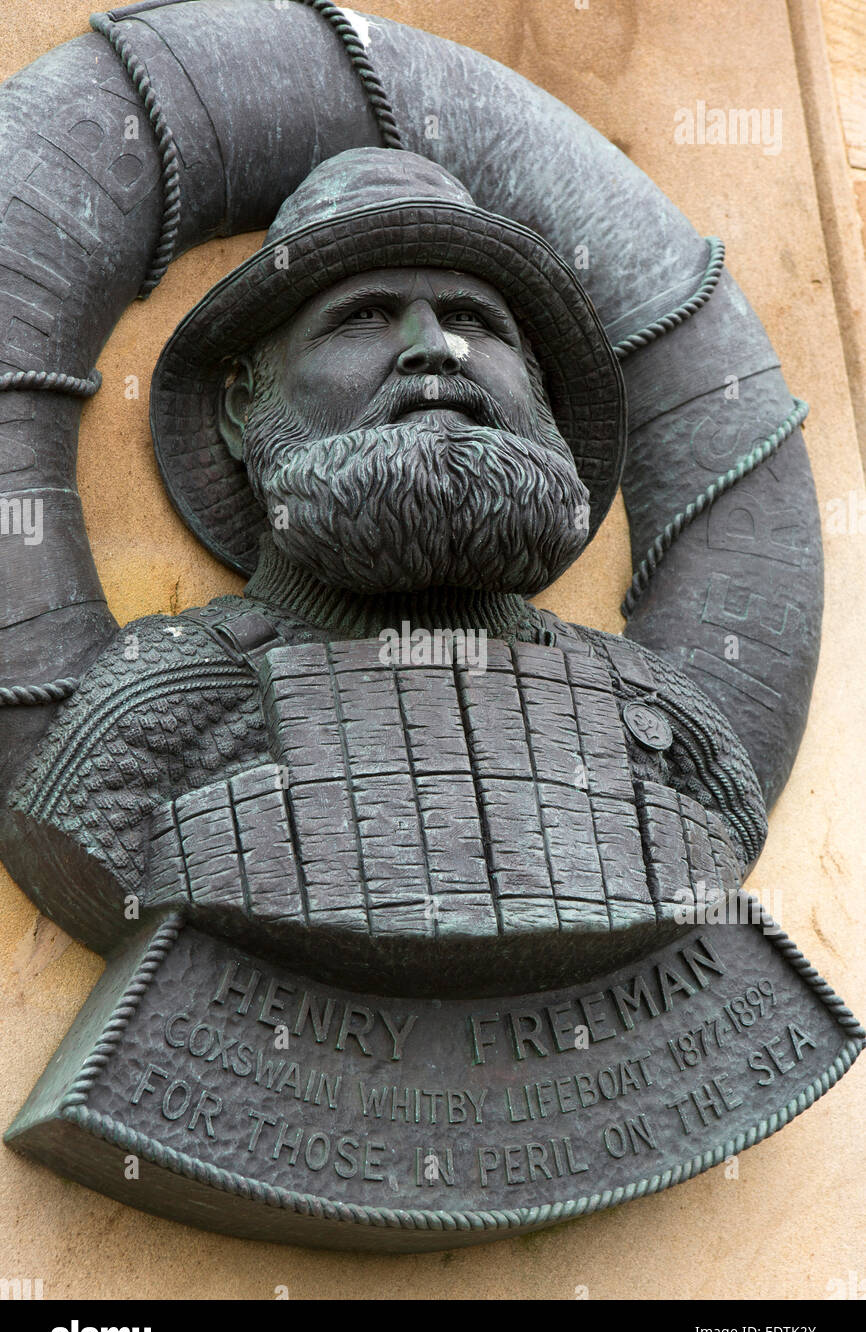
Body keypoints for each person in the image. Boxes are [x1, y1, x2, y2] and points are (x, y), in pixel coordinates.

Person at [0, 148, 766, 971]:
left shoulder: (665, 721)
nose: (435, 350)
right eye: (364, 315)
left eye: (476, 322)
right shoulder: (162, 708)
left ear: (538, 400)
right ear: (241, 409)